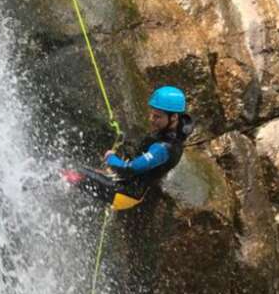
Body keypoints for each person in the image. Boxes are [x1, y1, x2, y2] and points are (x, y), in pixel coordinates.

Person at [62, 85, 193, 210]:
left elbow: (128, 169)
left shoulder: (164, 148)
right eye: (152, 114)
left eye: (157, 116)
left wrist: (111, 158)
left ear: (174, 117)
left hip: (124, 193)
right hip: (126, 183)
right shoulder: (177, 128)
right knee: (74, 171)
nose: (151, 119)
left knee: (69, 170)